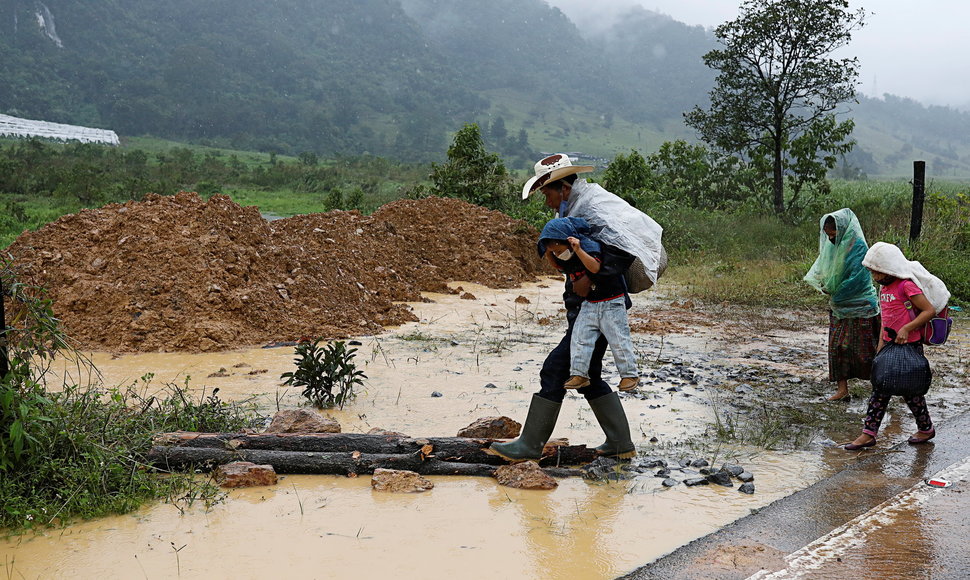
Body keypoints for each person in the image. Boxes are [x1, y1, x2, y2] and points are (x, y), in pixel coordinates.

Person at [489, 154, 648, 462]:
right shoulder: (574, 209)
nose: (546, 200)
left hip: (602, 308)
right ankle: (620, 443)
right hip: (590, 309)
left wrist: (590, 278)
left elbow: (619, 253)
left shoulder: (591, 209)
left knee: (555, 370)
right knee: (588, 374)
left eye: (547, 193)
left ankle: (529, 446)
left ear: (562, 187)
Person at [844, 242, 950, 450]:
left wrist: (907, 329)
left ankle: (925, 428)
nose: (874, 275)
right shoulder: (884, 288)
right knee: (880, 389)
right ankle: (869, 433)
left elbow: (928, 310)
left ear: (888, 269)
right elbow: (886, 318)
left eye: (876, 271)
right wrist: (881, 346)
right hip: (890, 347)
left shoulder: (906, 286)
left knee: (911, 392)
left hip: (909, 347)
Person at [537, 217, 640, 392]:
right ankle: (579, 374)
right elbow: (559, 266)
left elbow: (594, 268)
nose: (556, 254)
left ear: (569, 241)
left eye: (557, 249)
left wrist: (578, 250)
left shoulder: (588, 247)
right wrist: (548, 252)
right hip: (590, 303)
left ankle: (629, 375)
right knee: (580, 337)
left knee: (618, 339)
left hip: (611, 302)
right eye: (553, 251)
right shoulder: (566, 256)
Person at [803, 209, 881, 401]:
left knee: (868, 351)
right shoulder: (832, 247)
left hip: (862, 306)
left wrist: (834, 289)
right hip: (840, 307)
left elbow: (857, 279)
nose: (830, 239)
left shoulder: (859, 247)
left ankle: (879, 389)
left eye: (834, 234)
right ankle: (842, 389)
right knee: (838, 348)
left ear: (844, 230)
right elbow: (824, 267)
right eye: (828, 235)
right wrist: (825, 283)